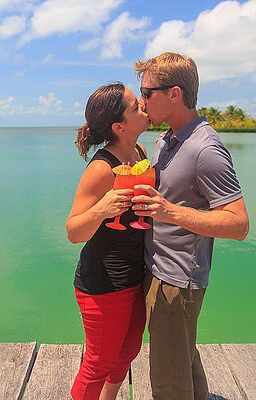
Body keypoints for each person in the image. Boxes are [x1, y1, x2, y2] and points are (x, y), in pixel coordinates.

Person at [132, 52, 250, 399]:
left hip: (177, 280)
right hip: (159, 272)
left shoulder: (205, 149)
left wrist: (170, 212)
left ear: (174, 94)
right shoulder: (166, 140)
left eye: (147, 92)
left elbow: (238, 224)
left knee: (168, 382)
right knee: (182, 360)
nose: (142, 101)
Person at [66, 82, 151, 400]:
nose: (143, 104)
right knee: (98, 362)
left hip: (135, 276)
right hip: (102, 282)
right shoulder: (102, 168)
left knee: (127, 353)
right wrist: (101, 209)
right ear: (119, 126)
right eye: (135, 105)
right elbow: (74, 231)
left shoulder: (140, 153)